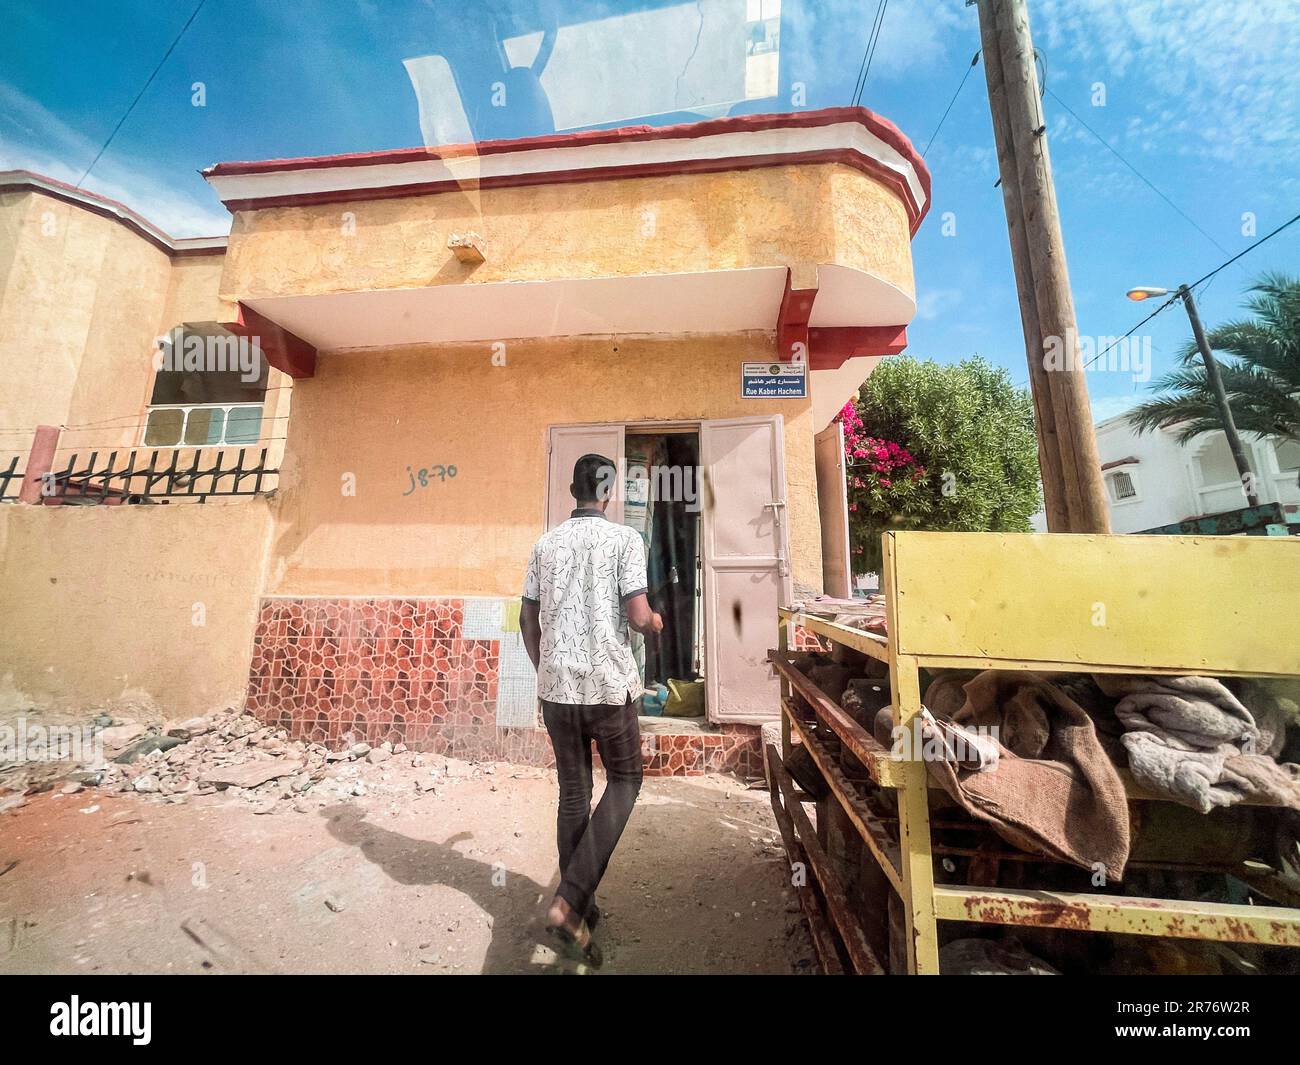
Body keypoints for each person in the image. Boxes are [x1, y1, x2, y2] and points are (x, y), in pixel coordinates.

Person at [520, 453, 662, 965]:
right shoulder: (626, 540)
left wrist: (546, 669)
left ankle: (581, 903)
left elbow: (527, 618)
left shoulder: (545, 544)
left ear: (572, 489)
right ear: (607, 491)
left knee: (574, 793)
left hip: (557, 690)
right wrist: (655, 625)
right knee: (625, 781)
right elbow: (637, 612)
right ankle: (568, 902)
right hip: (606, 686)